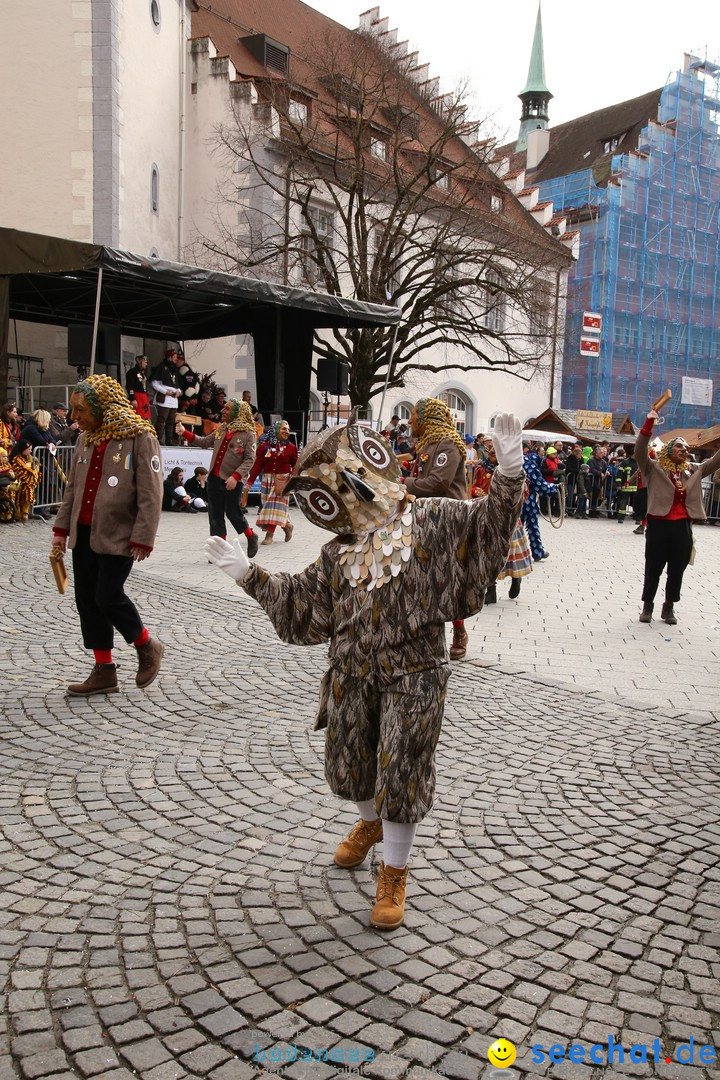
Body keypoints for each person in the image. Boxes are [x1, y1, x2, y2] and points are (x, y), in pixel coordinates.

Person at [205, 411, 525, 930]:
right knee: (350, 765)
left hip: (415, 669)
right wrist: (250, 576)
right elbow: (303, 607)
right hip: (351, 670)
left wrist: (508, 475)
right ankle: (369, 825)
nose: (352, 489)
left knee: (403, 765)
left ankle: (394, 871)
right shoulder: (338, 553)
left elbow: (486, 526)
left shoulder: (431, 518)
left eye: (353, 475)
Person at [51, 374, 165, 696]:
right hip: (84, 533)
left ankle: (146, 645)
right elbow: (72, 488)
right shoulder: (85, 439)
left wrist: (144, 536)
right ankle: (104, 670)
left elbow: (151, 492)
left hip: (119, 534)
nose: (75, 418)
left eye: (80, 410)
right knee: (87, 601)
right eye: (73, 410)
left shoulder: (141, 436)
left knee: (107, 595)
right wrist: (61, 530)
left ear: (103, 407)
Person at [636, 409, 720, 625]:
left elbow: (715, 462)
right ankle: (647, 606)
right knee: (653, 567)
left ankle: (669, 607)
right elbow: (640, 450)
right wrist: (648, 425)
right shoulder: (653, 468)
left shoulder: (693, 470)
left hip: (682, 527)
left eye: (686, 446)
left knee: (676, 570)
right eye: (680, 446)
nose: (685, 449)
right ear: (669, 450)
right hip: (658, 526)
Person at [404, 397, 470, 660]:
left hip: (448, 521)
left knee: (449, 579)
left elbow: (438, 483)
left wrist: (404, 483)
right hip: (423, 518)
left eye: (413, 416)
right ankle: (424, 632)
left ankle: (459, 631)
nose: (410, 421)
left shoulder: (449, 444)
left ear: (427, 418)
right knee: (420, 577)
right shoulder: (427, 444)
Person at [176, 399, 259, 558]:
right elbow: (205, 442)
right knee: (215, 514)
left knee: (233, 513)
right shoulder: (222, 428)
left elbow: (250, 459)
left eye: (227, 409)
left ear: (237, 413)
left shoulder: (249, 433)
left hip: (233, 480)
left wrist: (236, 476)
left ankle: (251, 536)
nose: (222, 411)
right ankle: (220, 551)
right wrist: (185, 432)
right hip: (214, 478)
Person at [471, 446, 532, 602]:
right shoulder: (482, 469)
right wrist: (477, 491)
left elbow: (523, 492)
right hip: (486, 514)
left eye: (495, 454)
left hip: (508, 517)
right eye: (491, 454)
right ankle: (491, 589)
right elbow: (474, 485)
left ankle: (516, 578)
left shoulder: (513, 471)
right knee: (487, 551)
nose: (492, 457)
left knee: (511, 551)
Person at [243, 420, 298, 544]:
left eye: (288, 429)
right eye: (284, 429)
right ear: (275, 430)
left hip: (282, 481)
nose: (287, 432)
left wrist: (292, 477)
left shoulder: (291, 448)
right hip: (266, 480)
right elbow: (257, 465)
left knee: (274, 507)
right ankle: (287, 525)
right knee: (268, 508)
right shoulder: (264, 447)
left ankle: (269, 535)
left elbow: (295, 465)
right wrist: (250, 482)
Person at [521, 443, 557, 561]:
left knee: (512, 527)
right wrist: (555, 488)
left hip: (511, 500)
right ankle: (537, 551)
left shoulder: (514, 461)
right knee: (532, 526)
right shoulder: (530, 465)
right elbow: (540, 485)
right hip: (526, 501)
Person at [150, 348, 184, 445]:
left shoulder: (175, 369)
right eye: (174, 357)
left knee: (171, 421)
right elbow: (154, 383)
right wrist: (165, 391)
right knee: (161, 420)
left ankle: (169, 440)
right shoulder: (161, 367)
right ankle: (158, 440)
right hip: (164, 398)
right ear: (169, 357)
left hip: (174, 400)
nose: (176, 359)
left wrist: (179, 392)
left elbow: (179, 386)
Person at [9, 439, 41, 521]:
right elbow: (20, 472)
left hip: (28, 483)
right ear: (23, 449)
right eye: (29, 449)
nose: (31, 451)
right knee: (20, 494)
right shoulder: (17, 459)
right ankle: (18, 512)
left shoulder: (31, 459)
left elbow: (36, 471)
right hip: (19, 482)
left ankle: (25, 511)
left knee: (28, 490)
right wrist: (30, 473)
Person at [125, 355, 151, 420]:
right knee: (137, 417)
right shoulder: (132, 372)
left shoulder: (143, 373)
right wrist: (132, 398)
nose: (146, 364)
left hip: (143, 397)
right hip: (137, 397)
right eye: (145, 362)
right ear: (140, 362)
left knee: (145, 417)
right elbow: (129, 386)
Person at [0, 446, 19, 522]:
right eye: (3, 456)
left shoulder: (7, 465)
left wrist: (13, 475)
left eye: (6, 456)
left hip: (6, 485)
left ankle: (9, 515)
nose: (5, 458)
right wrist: (6, 474)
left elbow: (13, 475)